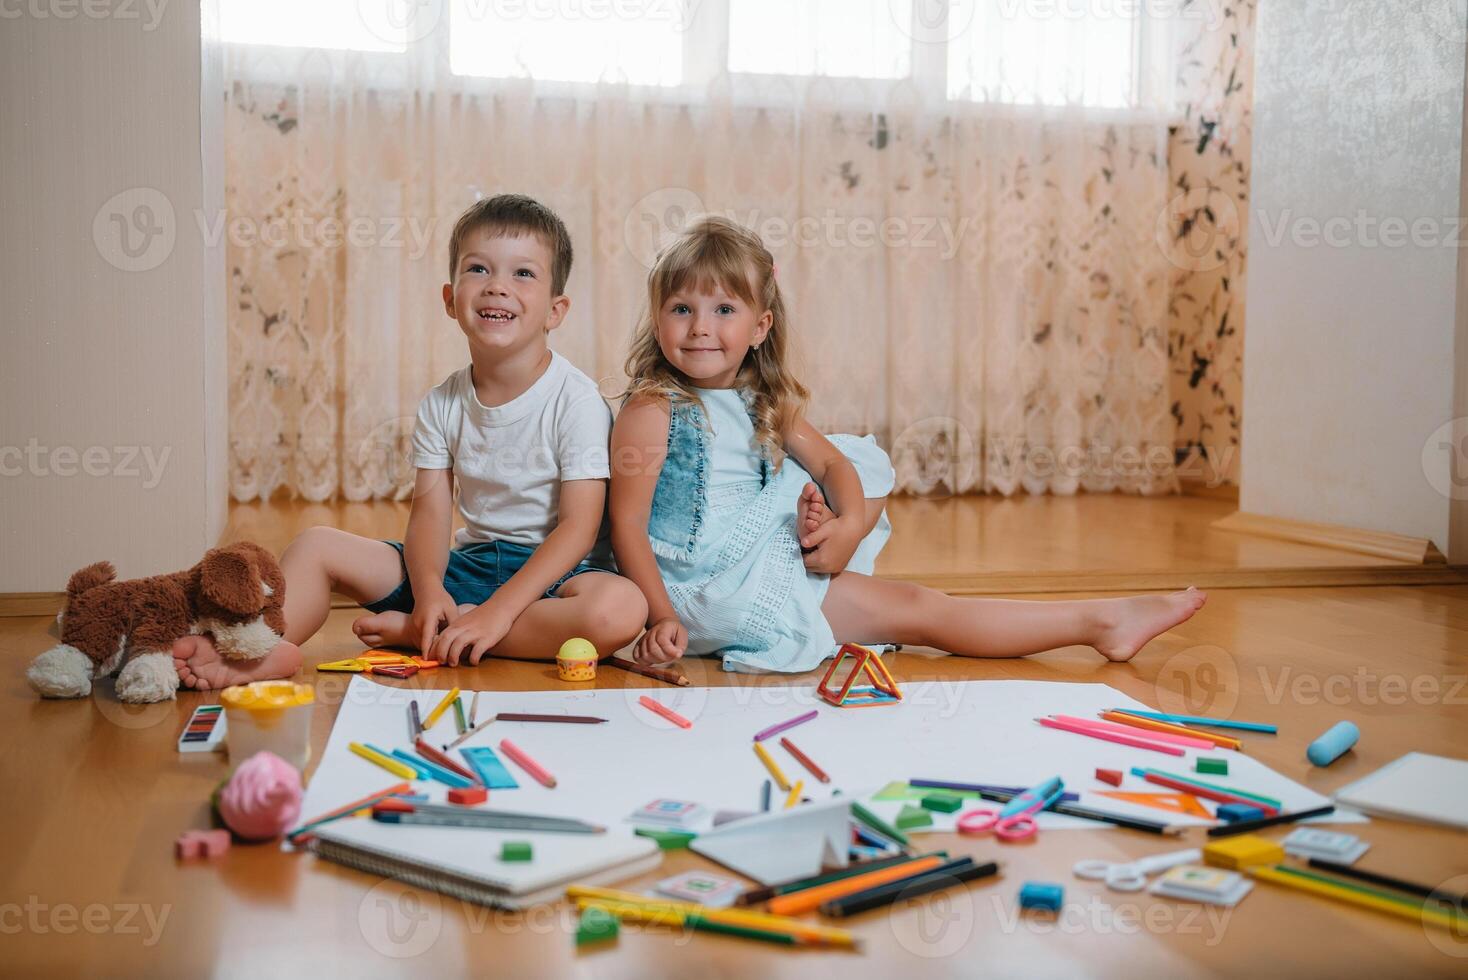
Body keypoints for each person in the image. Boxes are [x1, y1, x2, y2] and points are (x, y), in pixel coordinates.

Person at [609, 215, 1205, 672]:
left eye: (723, 309)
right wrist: (660, 616)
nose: (700, 327)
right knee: (922, 612)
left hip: (761, 557)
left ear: (760, 327)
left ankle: (1100, 621)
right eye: (681, 308)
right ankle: (1099, 622)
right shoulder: (655, 410)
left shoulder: (765, 402)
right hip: (706, 591)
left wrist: (846, 529)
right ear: (658, 318)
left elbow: (837, 464)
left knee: (870, 508)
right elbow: (628, 527)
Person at [175, 194, 646, 690]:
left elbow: (578, 528)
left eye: (523, 274)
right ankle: (260, 649)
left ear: (555, 311)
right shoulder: (442, 403)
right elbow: (430, 515)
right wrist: (427, 592)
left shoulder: (576, 401)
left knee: (618, 610)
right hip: (471, 566)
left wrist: (497, 613)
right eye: (478, 269)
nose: (498, 288)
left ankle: (442, 633)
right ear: (450, 299)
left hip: (554, 581)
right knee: (317, 545)